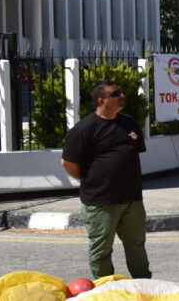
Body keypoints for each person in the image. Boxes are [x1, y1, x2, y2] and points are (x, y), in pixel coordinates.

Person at [61, 79, 151, 279]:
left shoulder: (129, 123)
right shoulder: (85, 129)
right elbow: (67, 162)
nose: (121, 96)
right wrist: (90, 179)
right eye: (115, 94)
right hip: (101, 201)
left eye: (121, 92)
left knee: (136, 245)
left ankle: (143, 284)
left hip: (132, 198)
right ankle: (104, 287)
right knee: (101, 249)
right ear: (101, 100)